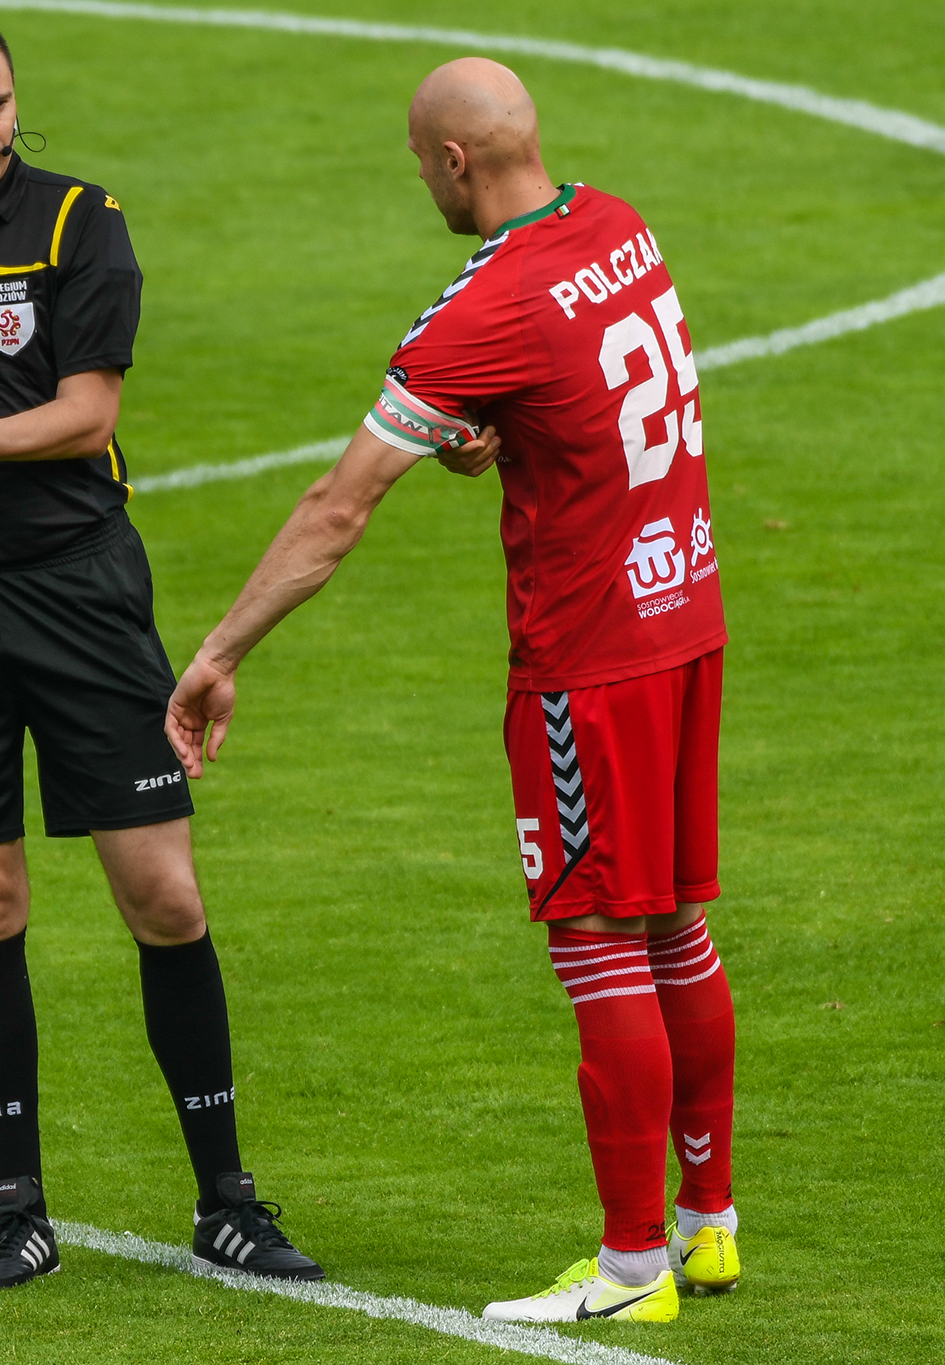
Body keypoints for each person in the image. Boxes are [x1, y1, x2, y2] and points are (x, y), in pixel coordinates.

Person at [164, 58, 740, 1325]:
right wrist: (497, 435)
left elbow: (337, 507)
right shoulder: (616, 224)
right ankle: (706, 1226)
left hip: (588, 660)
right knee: (673, 927)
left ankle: (630, 1267)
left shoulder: (484, 305)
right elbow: (573, 402)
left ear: (450, 162)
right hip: (683, 614)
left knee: (598, 942)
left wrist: (220, 651)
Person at [0, 9, 322, 1290]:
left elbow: (86, 415)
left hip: (78, 593)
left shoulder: (77, 221)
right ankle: (17, 1207)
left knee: (164, 897)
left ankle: (225, 1199)